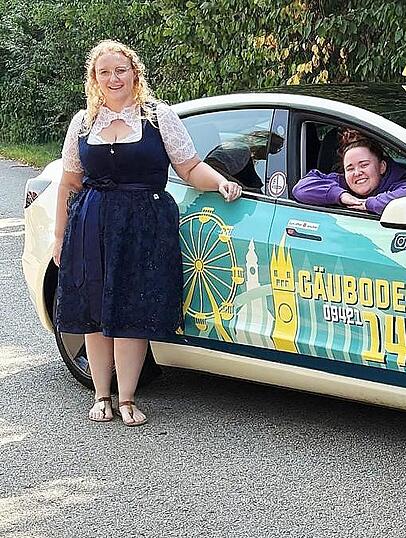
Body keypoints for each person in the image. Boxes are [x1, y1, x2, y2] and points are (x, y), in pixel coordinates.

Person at [54, 40, 241, 426]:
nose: (113, 78)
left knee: (131, 309)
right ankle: (101, 395)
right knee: (95, 311)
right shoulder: (83, 122)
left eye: (120, 70)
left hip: (144, 224)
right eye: (104, 72)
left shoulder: (158, 116)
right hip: (93, 223)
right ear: (94, 78)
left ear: (134, 72)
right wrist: (59, 237)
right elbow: (69, 183)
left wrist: (220, 182)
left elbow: (189, 168)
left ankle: (126, 399)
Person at [292, 129, 406, 215]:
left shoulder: (405, 184)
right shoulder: (341, 183)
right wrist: (341, 196)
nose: (357, 173)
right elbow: (301, 189)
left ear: (382, 167)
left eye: (364, 165)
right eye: (350, 168)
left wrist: (366, 204)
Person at [205, 130, 284, 191]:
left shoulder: (244, 154)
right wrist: (242, 189)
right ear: (263, 144)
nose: (269, 155)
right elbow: (210, 167)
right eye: (272, 150)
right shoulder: (241, 150)